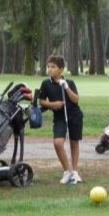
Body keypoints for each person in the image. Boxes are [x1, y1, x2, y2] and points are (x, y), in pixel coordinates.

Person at [39, 55, 83, 185]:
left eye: (53, 67)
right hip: (59, 118)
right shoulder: (46, 84)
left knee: (74, 143)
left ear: (61, 70)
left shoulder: (69, 83)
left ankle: (74, 172)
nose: (50, 69)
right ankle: (67, 171)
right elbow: (41, 101)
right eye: (49, 67)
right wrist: (53, 105)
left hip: (74, 115)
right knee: (58, 143)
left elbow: (76, 99)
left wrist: (66, 88)